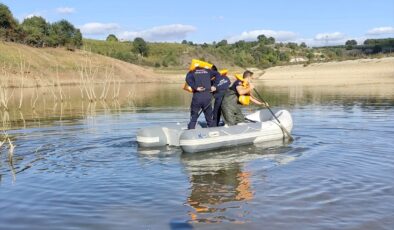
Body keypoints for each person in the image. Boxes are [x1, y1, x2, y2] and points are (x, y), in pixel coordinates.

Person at [186, 64, 220, 129]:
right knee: (209, 118)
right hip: (207, 96)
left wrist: (195, 87)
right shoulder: (208, 71)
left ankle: (191, 129)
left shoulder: (192, 72)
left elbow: (187, 79)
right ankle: (212, 131)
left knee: (194, 117)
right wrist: (214, 86)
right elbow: (218, 74)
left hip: (197, 96)